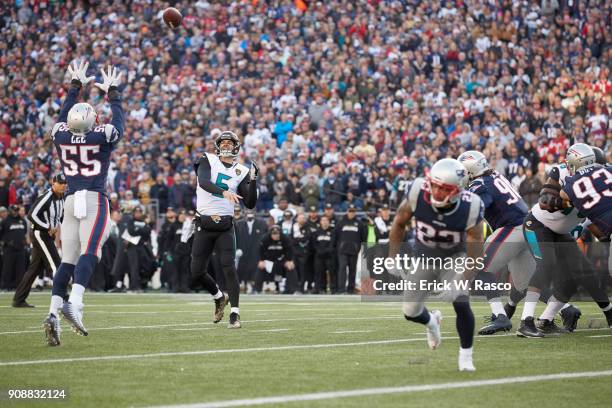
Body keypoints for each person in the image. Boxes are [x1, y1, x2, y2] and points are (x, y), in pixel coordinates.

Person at [43, 61, 124, 346]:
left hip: (69, 200)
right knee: (92, 250)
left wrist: (74, 88)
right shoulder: (102, 135)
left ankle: (53, 311)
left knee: (67, 260)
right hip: (94, 199)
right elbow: (119, 123)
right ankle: (75, 303)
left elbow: (63, 118)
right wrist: (113, 93)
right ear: (92, 121)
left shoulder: (60, 135)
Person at [389, 159, 484, 372]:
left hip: (455, 255)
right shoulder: (417, 191)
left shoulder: (471, 206)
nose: (437, 192)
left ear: (458, 190)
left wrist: (462, 280)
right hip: (425, 255)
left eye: (445, 188)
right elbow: (399, 222)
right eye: (435, 185)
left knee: (460, 299)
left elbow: (476, 251)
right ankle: (432, 322)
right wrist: (392, 257)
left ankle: (466, 357)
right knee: (410, 311)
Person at [458, 150, 535, 335]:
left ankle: (500, 316)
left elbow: (477, 208)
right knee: (527, 283)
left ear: (471, 170)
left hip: (511, 228)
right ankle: (566, 309)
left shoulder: (479, 184)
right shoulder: (494, 176)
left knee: (481, 267)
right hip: (526, 227)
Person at [191, 131, 258, 328]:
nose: (227, 145)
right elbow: (203, 182)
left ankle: (235, 314)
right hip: (204, 222)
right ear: (218, 145)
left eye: (230, 143)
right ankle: (219, 297)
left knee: (229, 267)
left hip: (225, 225)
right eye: (224, 142)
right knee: (196, 272)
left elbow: (251, 203)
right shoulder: (207, 159)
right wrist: (224, 192)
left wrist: (253, 180)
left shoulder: (241, 170)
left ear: (236, 146)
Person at [13, 174, 66, 307]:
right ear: (53, 183)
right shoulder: (46, 197)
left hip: (48, 235)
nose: (63, 185)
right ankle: (63, 297)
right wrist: (47, 226)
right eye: (60, 183)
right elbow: (31, 215)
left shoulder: (62, 198)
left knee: (34, 269)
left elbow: (61, 217)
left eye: (65, 183)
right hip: (40, 233)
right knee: (56, 264)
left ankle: (18, 299)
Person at [334, 204, 367, 294]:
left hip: (354, 250)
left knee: (353, 270)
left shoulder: (359, 224)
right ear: (347, 211)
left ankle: (350, 289)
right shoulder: (340, 223)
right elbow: (335, 236)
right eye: (350, 211)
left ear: (355, 212)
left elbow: (364, 237)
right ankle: (341, 289)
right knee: (342, 268)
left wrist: (360, 248)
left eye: (353, 211)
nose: (351, 213)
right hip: (342, 250)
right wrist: (335, 247)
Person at [254, 225, 295, 293]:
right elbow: (259, 251)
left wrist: (289, 261)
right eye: (273, 234)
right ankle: (256, 290)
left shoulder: (285, 239)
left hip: (282, 260)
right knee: (260, 267)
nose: (275, 235)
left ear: (280, 233)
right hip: (268, 261)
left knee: (291, 267)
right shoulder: (265, 239)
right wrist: (261, 260)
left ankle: (294, 290)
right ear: (270, 233)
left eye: (277, 234)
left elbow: (290, 250)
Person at [235, 209, 268, 292]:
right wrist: (237, 248)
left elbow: (265, 238)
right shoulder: (239, 224)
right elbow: (236, 238)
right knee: (241, 268)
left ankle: (254, 286)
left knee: (255, 269)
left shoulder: (262, 223)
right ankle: (242, 285)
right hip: (242, 251)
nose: (249, 214)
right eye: (247, 212)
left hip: (256, 251)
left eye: (251, 212)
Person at [0, 204, 28, 291]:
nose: (15, 212)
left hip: (20, 248)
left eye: (17, 210)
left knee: (20, 268)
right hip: (9, 248)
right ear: (10, 211)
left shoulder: (23, 221)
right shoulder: (5, 221)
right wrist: (5, 242)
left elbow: (25, 232)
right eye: (14, 210)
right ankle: (6, 286)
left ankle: (18, 286)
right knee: (7, 268)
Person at [312, 215, 335, 293]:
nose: (324, 222)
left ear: (329, 222)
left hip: (329, 255)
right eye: (323, 220)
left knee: (332, 272)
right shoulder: (317, 232)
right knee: (319, 272)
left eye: (326, 220)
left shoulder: (332, 231)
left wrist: (327, 250)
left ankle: (333, 288)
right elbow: (314, 243)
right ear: (320, 222)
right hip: (319, 256)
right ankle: (321, 289)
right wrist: (319, 251)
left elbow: (333, 243)